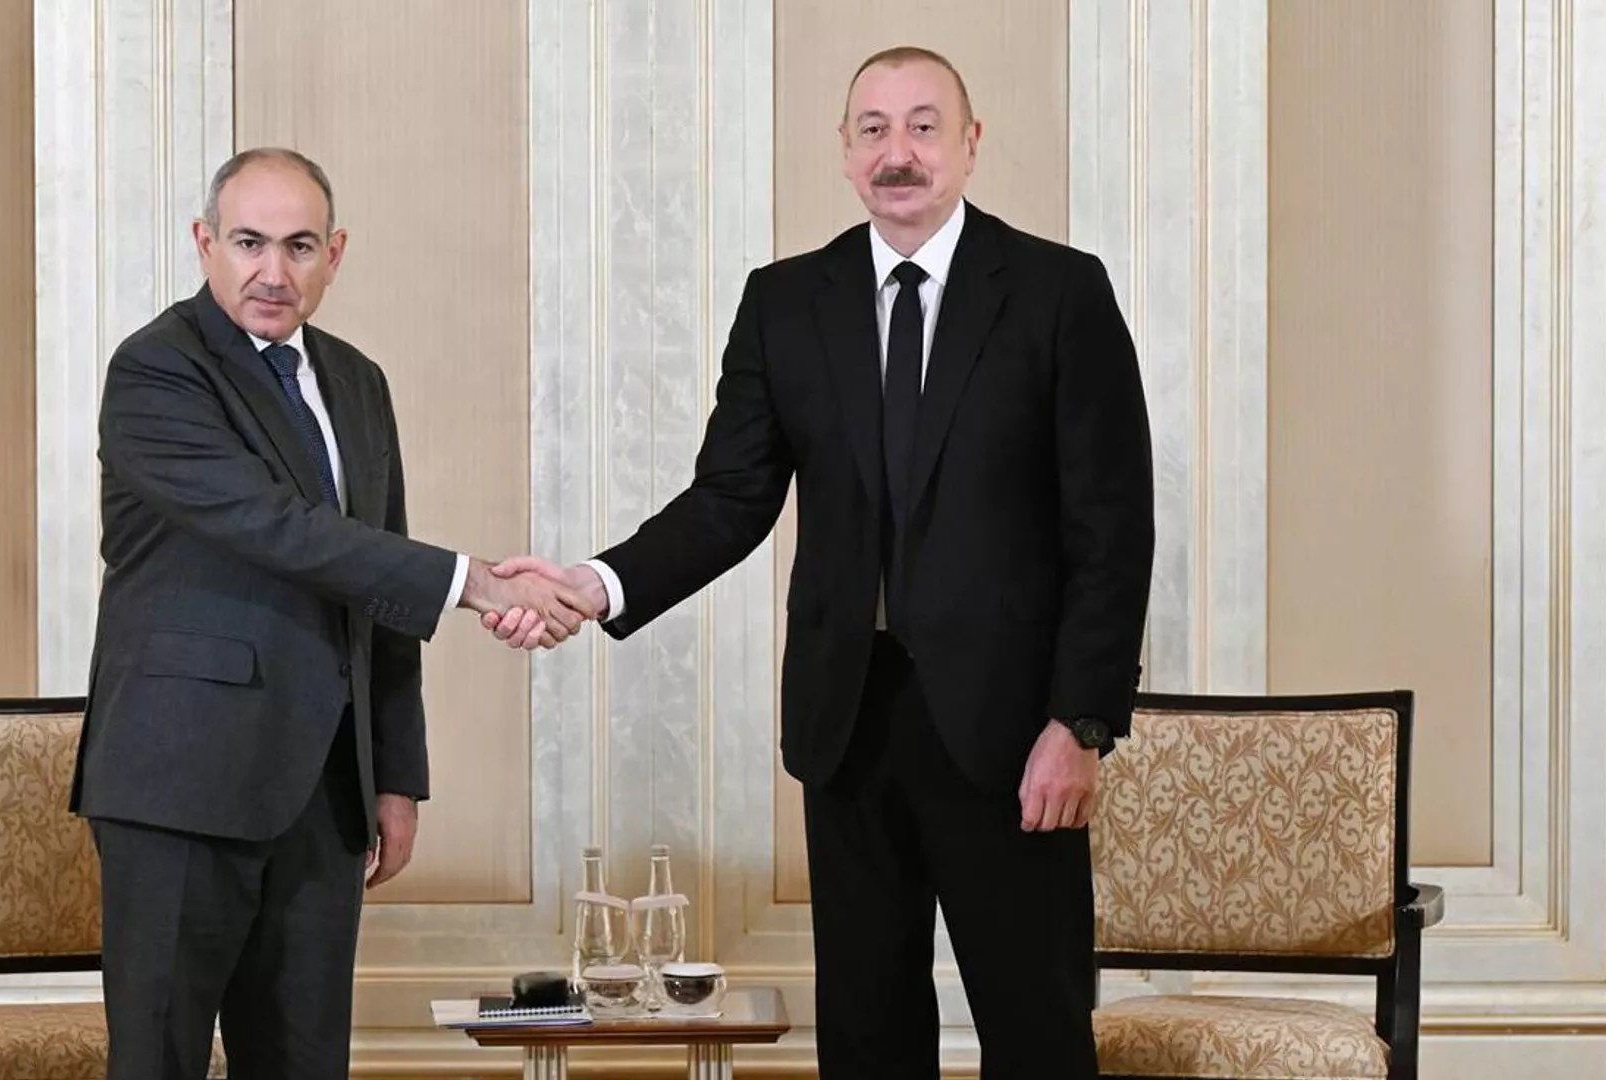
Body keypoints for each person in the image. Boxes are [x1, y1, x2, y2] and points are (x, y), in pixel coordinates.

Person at [485, 46, 1154, 1079]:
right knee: (867, 1035)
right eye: (873, 129)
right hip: (849, 722)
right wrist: (595, 581)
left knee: (1036, 1033)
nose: (899, 152)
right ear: (844, 151)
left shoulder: (1060, 292)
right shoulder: (787, 301)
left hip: (1017, 731)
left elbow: (1114, 528)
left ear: (971, 144)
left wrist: (1082, 724)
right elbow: (729, 499)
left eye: (924, 126)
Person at [69, 146, 593, 1080]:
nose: (273, 271)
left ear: (335, 254)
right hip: (179, 785)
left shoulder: (357, 381)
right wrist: (477, 582)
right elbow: (281, 529)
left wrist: (395, 775)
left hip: (323, 793)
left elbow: (377, 585)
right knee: (158, 1062)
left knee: (307, 1064)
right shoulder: (156, 371)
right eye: (249, 242)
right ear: (204, 244)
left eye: (299, 246)